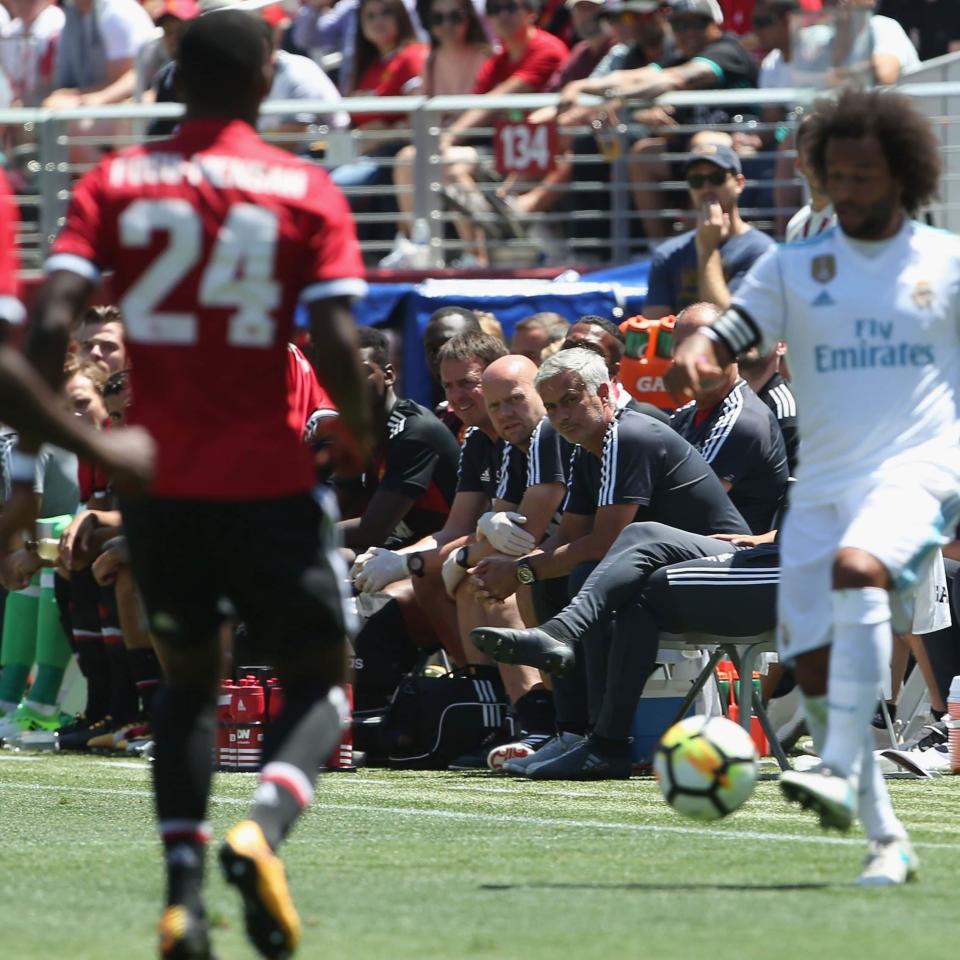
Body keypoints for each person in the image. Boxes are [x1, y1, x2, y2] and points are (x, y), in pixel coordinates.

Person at [27, 11, 372, 958]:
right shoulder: (302, 186)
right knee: (323, 685)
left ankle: (182, 894)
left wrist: (38, 450)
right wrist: (363, 429)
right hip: (267, 481)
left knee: (186, 682)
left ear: (170, 78)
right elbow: (338, 340)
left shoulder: (116, 182)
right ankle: (261, 826)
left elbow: (42, 327)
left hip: (161, 484)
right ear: (265, 84)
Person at [667, 88, 960, 886]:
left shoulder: (944, 263)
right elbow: (730, 332)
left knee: (858, 571)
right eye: (838, 175)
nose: (852, 188)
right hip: (827, 480)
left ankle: (830, 763)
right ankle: (885, 837)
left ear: (903, 175)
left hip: (922, 464)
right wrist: (701, 356)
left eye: (867, 174)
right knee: (814, 668)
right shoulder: (800, 267)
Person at [337, 325, 460, 552]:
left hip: (443, 550)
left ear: (389, 375)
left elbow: (373, 530)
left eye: (362, 372)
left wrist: (299, 533)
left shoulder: (414, 430)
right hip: (401, 546)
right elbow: (339, 503)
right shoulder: (354, 432)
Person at [669, 302, 788, 533]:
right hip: (690, 544)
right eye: (682, 348)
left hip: (736, 555)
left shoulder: (743, 420)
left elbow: (685, 505)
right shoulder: (685, 414)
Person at [643, 144, 776, 319]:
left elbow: (729, 327)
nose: (706, 188)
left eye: (717, 178)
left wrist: (707, 249)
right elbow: (654, 329)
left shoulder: (762, 251)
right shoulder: (668, 253)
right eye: (696, 180)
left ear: (739, 183)